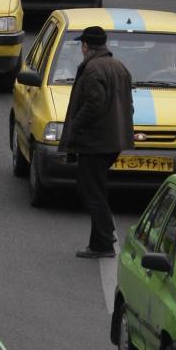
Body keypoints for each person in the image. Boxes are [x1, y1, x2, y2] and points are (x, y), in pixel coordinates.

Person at [58, 25, 133, 258]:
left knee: (91, 191)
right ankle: (99, 242)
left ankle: (105, 237)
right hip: (114, 140)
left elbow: (94, 104)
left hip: (95, 141)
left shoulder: (92, 69)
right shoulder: (119, 67)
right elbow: (128, 105)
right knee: (96, 189)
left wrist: (75, 126)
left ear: (86, 46)